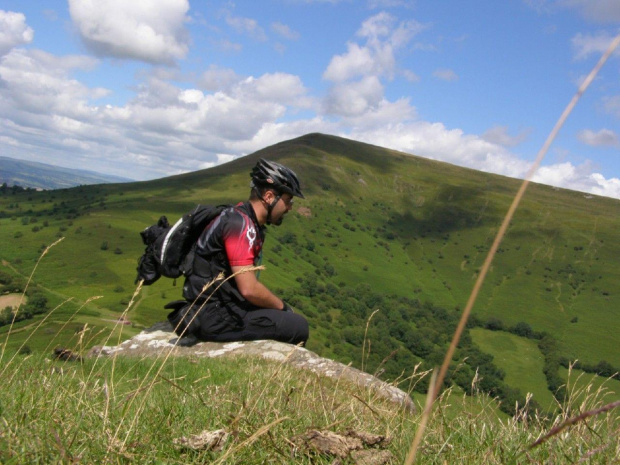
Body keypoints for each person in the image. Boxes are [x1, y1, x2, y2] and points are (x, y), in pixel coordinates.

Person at [168, 158, 309, 346]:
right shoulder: (240, 226)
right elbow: (249, 289)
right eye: (288, 200)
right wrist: (283, 308)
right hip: (216, 317)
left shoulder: (237, 216)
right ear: (268, 196)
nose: (290, 207)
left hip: (213, 308)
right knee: (298, 326)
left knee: (279, 317)